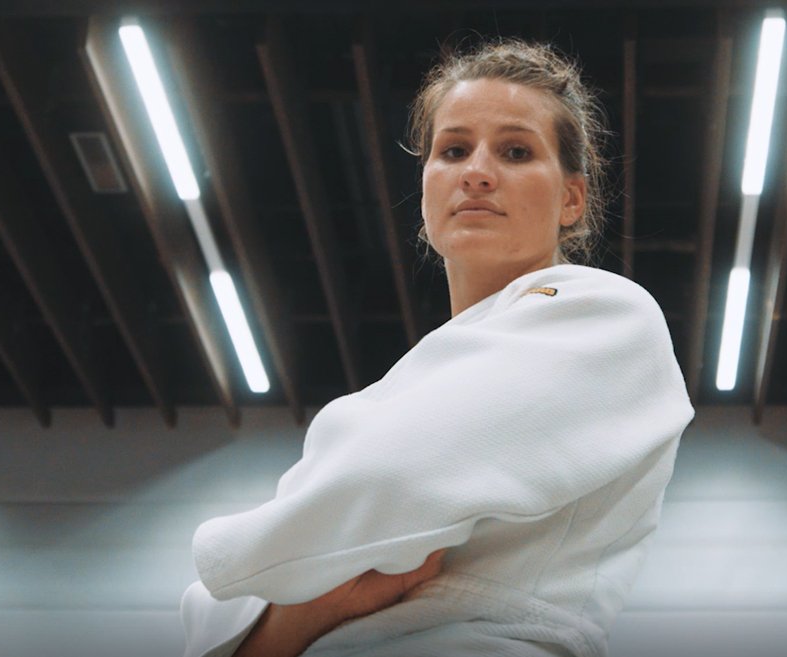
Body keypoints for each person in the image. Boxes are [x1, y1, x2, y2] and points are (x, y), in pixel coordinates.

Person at [180, 38, 695, 657]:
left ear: (571, 198)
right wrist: (310, 608)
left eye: (515, 151)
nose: (476, 171)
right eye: (453, 150)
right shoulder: (420, 374)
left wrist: (276, 567)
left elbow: (383, 474)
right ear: (425, 192)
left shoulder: (608, 314)